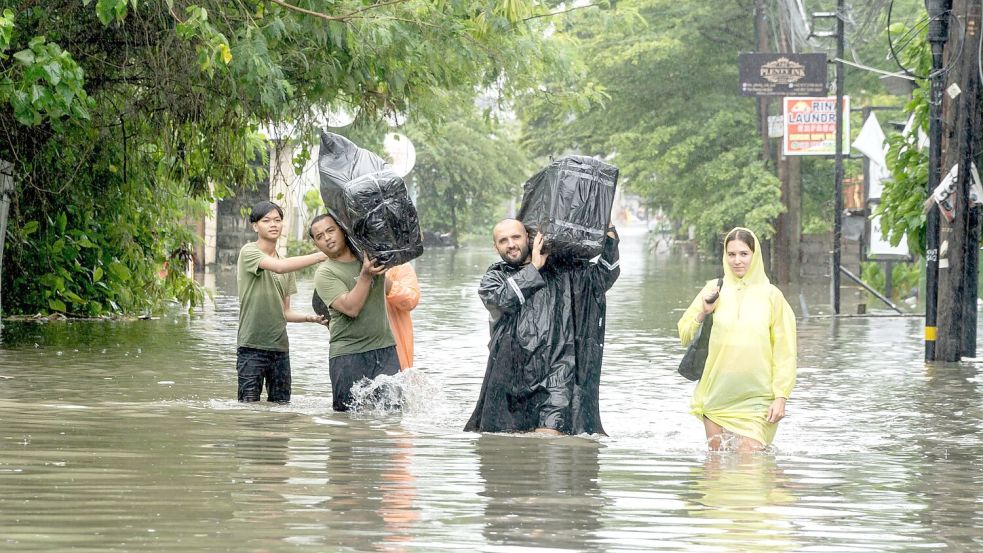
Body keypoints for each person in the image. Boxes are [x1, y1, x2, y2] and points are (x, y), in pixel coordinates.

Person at [464, 218, 620, 435]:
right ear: (495, 247)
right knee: (509, 444)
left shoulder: (563, 270)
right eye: (503, 240)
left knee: (549, 438)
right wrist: (534, 268)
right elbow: (501, 300)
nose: (511, 244)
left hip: (558, 371)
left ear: (528, 237)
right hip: (512, 376)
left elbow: (603, 276)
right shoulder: (495, 277)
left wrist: (610, 234)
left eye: (516, 237)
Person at [677, 227, 797, 451]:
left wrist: (781, 396)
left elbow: (785, 352)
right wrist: (703, 312)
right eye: (731, 254)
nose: (737, 261)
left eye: (744, 254)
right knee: (714, 475)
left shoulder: (772, 297)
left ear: (755, 255)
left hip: (757, 399)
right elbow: (684, 333)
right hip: (716, 395)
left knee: (749, 469)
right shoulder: (714, 289)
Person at [236, 201, 328, 403]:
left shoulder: (287, 265)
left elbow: (285, 312)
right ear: (255, 226)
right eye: (266, 220)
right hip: (251, 346)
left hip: (279, 349)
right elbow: (278, 267)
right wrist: (321, 255)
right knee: (247, 408)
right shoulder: (249, 252)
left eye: (277, 220)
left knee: (281, 408)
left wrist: (310, 318)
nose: (273, 224)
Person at [309, 213, 400, 411]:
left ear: (342, 229)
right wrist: (365, 275)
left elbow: (388, 287)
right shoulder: (325, 273)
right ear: (317, 245)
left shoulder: (369, 257)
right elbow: (351, 308)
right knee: (346, 425)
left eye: (330, 230)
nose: (327, 238)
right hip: (348, 356)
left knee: (391, 417)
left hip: (384, 350)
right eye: (319, 236)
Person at [385, 263, 420, 371]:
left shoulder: (400, 266)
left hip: (394, 351)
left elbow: (411, 300)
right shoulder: (346, 264)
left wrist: (384, 282)